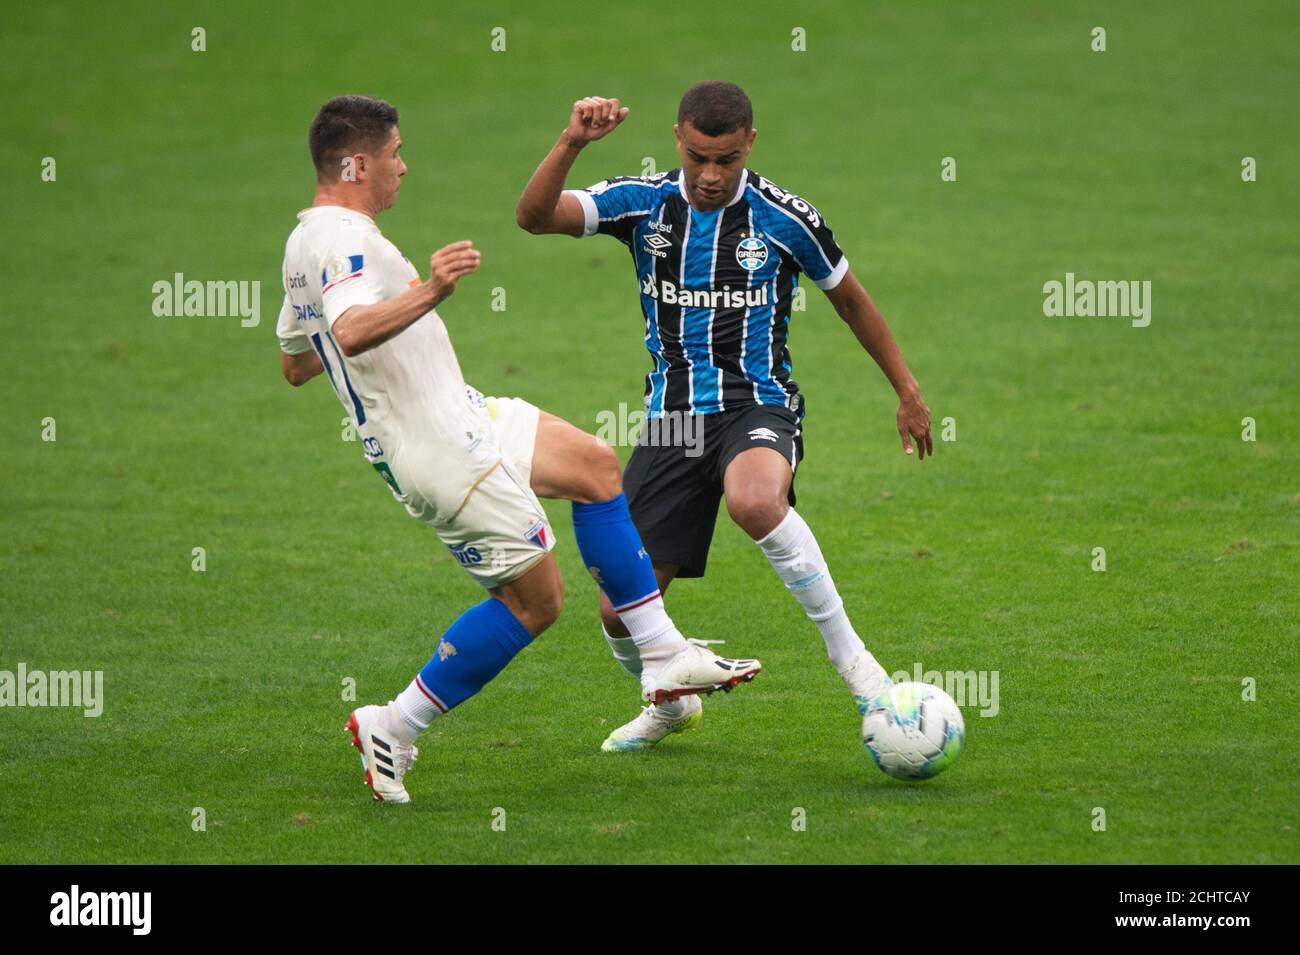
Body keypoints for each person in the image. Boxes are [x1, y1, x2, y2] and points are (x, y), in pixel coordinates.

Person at [276, 95, 760, 801]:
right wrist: (433, 290)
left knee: (596, 465)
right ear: (355, 163)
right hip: (440, 447)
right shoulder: (341, 239)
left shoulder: (303, 243)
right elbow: (347, 332)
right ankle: (396, 723)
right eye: (394, 154)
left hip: (464, 411)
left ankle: (660, 656)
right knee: (536, 602)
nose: (403, 168)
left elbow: (299, 360)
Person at [516, 81, 933, 750]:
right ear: (678, 138)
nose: (711, 176)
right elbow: (534, 217)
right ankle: (669, 702)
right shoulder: (642, 203)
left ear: (750, 146)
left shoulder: (783, 218)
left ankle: (855, 663)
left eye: (728, 160)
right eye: (699, 157)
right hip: (671, 421)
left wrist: (908, 391)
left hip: (757, 402)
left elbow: (852, 300)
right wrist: (571, 143)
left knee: (754, 500)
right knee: (617, 611)